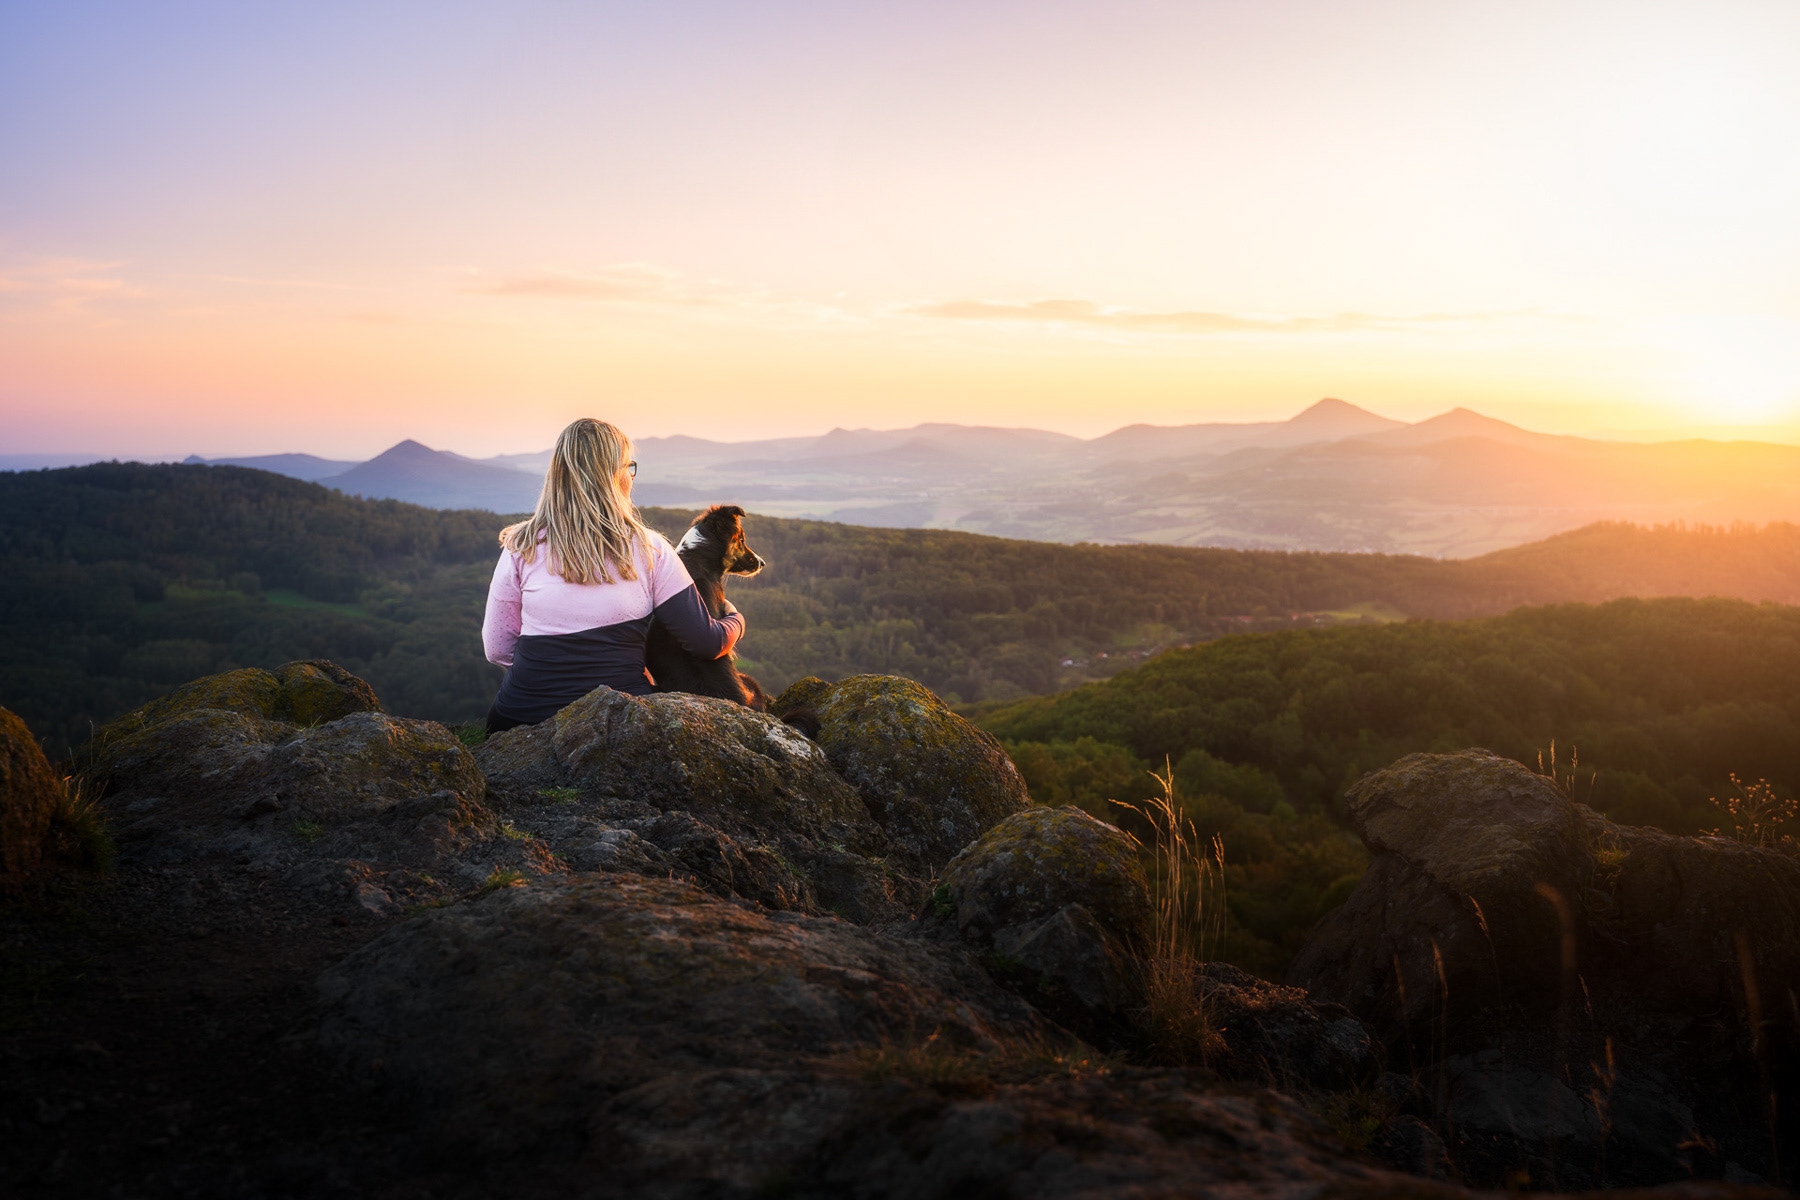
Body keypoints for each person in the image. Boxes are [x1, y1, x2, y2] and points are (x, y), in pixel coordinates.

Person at [480, 417, 743, 734]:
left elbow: (497, 648)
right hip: (617, 721)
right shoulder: (651, 550)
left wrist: (553, 675)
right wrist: (735, 618)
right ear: (615, 477)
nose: (631, 478)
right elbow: (707, 642)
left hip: (517, 718)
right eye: (629, 467)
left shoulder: (519, 546)